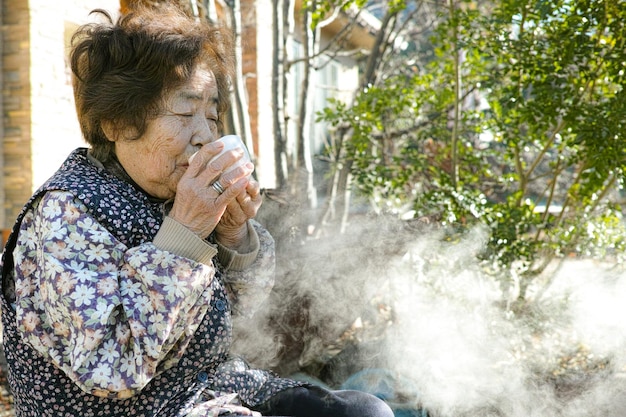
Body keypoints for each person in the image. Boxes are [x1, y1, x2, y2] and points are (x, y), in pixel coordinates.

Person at [0, 4, 394, 417]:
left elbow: (237, 320)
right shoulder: (66, 214)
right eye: (186, 113)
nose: (205, 135)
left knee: (363, 411)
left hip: (205, 392)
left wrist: (233, 237)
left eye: (211, 115)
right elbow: (112, 369)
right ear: (115, 123)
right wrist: (184, 233)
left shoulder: (170, 194)